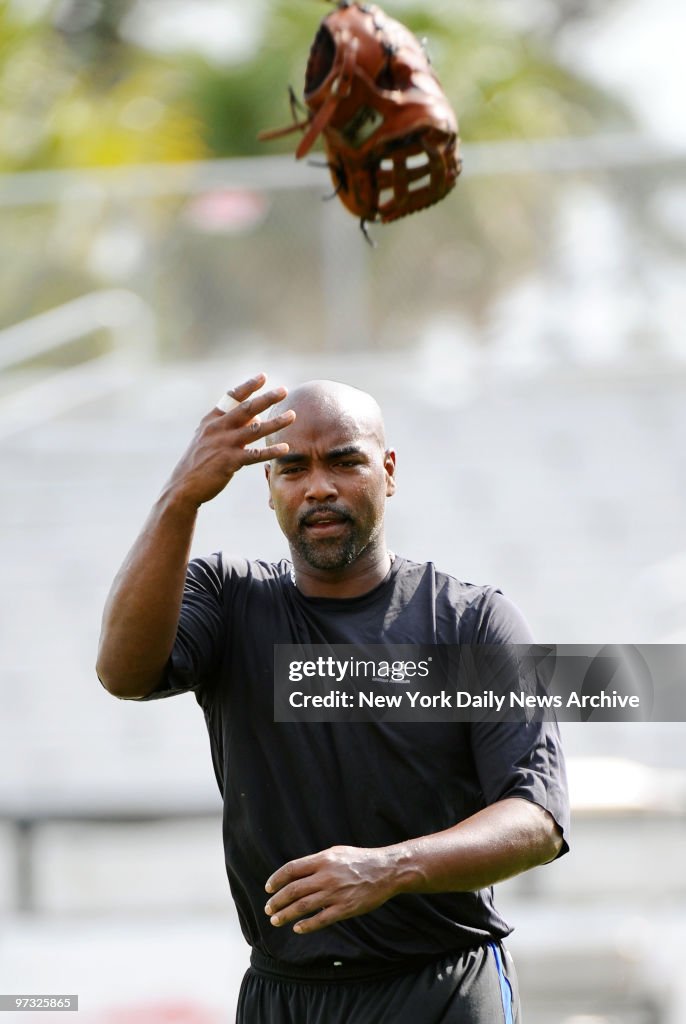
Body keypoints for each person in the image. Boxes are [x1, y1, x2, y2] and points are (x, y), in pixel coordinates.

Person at [97, 373, 569, 1024]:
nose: (318, 486)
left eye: (344, 461)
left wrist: (391, 867)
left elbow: (536, 821)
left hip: (442, 986)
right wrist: (180, 497)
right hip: (284, 994)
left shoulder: (471, 621)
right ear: (268, 488)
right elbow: (123, 673)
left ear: (389, 471)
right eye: (293, 467)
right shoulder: (229, 602)